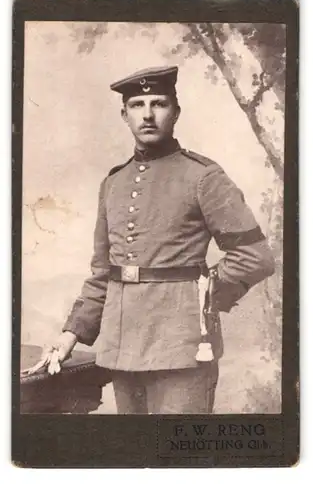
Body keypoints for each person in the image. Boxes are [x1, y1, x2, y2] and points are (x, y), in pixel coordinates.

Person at [42, 65, 275, 414]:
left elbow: (255, 256)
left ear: (176, 111)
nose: (148, 115)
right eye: (137, 105)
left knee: (176, 458)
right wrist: (69, 334)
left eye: (159, 103)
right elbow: (103, 271)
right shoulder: (114, 183)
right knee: (134, 457)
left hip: (182, 347)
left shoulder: (203, 176)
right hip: (122, 350)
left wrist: (202, 298)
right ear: (124, 115)